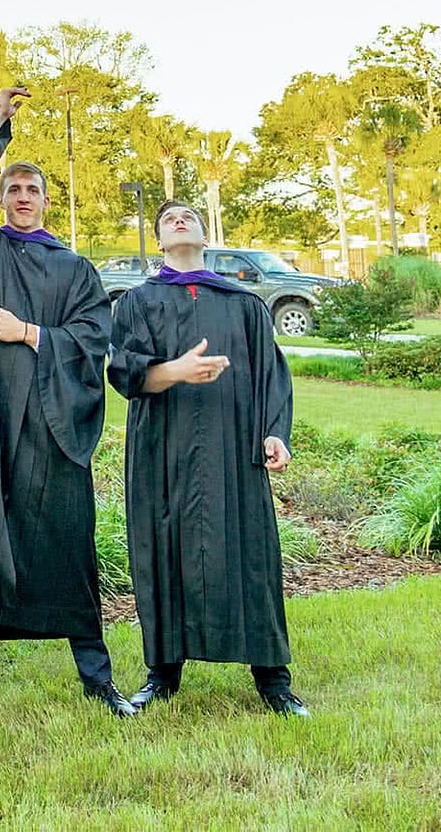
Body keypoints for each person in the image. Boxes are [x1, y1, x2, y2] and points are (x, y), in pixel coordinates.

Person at [0, 88, 133, 717]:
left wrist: (29, 333)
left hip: (49, 428)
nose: (22, 198)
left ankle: (96, 676)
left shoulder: (72, 268)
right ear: (1, 197)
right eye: (13, 189)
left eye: (33, 190)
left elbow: (94, 334)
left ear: (47, 202)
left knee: (67, 541)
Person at [108, 200, 307, 716]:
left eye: (189, 217)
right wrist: (174, 371)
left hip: (233, 446)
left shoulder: (243, 303)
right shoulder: (137, 303)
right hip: (163, 447)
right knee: (164, 550)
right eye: (168, 219)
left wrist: (275, 434)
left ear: (204, 233)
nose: (179, 221)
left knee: (250, 553)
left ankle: (273, 679)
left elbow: (271, 375)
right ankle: (162, 672)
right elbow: (126, 373)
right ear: (158, 241)